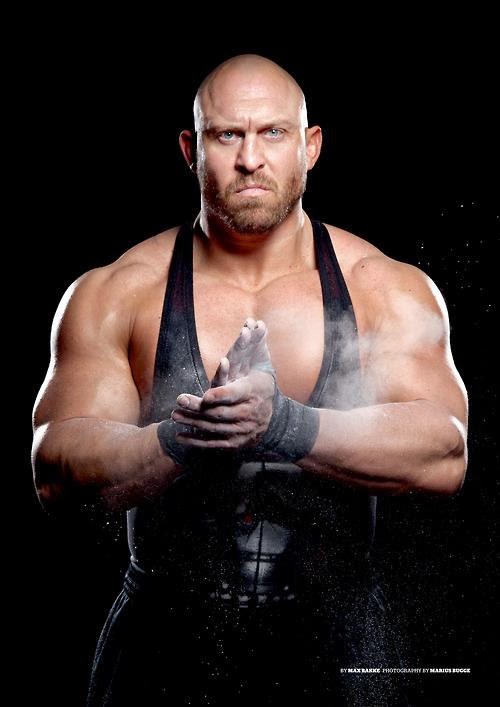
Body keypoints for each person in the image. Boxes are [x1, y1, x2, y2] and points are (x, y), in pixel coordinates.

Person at [32, 54, 468, 706]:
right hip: (160, 647)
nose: (250, 159)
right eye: (227, 134)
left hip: (337, 645)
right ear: (191, 150)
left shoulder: (383, 288)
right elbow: (54, 468)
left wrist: (285, 424)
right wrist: (182, 437)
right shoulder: (117, 292)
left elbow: (445, 453)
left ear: (310, 146)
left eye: (273, 133)